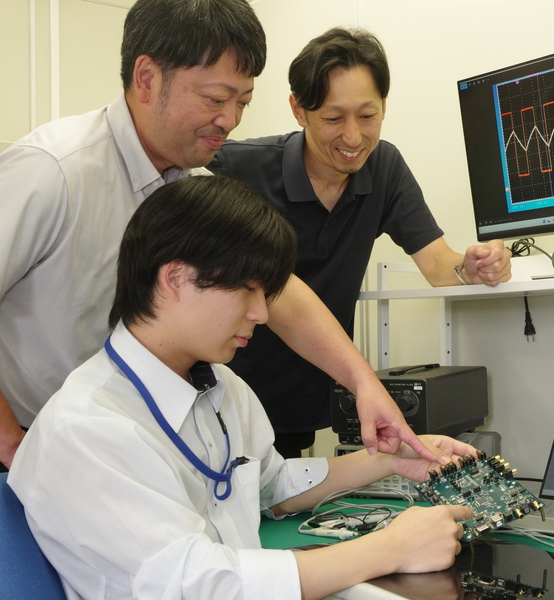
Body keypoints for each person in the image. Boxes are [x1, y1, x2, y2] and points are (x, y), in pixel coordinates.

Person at [0, 1, 433, 471]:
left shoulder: (194, 185)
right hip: (32, 453)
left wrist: (363, 382)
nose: (231, 120)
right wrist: (10, 445)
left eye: (242, 102)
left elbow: (282, 295)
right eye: (215, 99)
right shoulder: (54, 172)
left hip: (131, 457)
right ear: (147, 78)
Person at [8, 175, 475, 600]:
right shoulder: (86, 429)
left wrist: (391, 460)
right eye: (247, 289)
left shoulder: (221, 386)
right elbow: (199, 585)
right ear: (175, 278)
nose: (263, 313)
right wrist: (389, 548)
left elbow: (269, 485)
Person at [208, 27, 514, 458]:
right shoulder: (235, 169)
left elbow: (438, 263)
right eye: (333, 119)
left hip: (304, 402)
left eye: (367, 116)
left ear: (384, 106)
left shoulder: (384, 167)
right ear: (299, 110)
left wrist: (472, 267)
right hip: (223, 401)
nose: (353, 138)